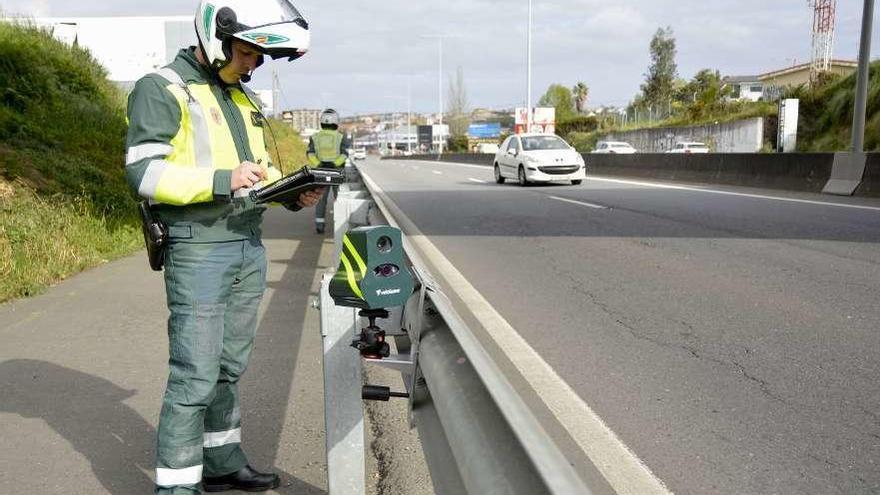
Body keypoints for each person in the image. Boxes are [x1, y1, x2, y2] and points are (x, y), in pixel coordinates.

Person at [124, 1, 318, 493]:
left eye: (259, 57)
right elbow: (143, 173)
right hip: (200, 248)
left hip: (247, 245)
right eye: (247, 52)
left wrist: (293, 195)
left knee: (228, 369)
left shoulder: (241, 98)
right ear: (218, 35)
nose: (252, 64)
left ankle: (222, 461)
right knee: (195, 375)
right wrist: (220, 180)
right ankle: (176, 486)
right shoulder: (162, 87)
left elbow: (255, 173)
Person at [307, 108, 351, 233]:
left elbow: (310, 154)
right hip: (337, 172)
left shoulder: (314, 137)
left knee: (320, 200)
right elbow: (344, 154)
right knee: (339, 200)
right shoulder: (341, 137)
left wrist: (320, 164)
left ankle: (319, 226)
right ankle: (341, 227)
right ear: (336, 121)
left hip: (320, 173)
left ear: (322, 121)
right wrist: (334, 164)